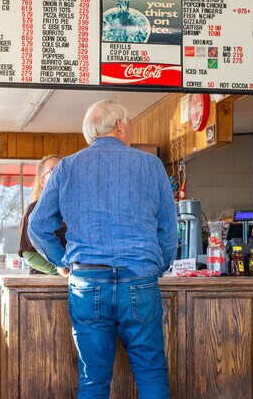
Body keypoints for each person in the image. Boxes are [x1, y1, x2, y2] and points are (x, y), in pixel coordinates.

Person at [28, 100, 177, 399]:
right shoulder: (151, 165)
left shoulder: (67, 167)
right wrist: (156, 266)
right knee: (150, 371)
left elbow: (37, 225)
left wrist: (64, 263)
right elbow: (168, 229)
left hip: (87, 283)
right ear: (120, 125)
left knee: (93, 379)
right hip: (140, 278)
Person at [17, 155, 65, 275]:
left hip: (76, 279)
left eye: (63, 169)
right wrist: (60, 269)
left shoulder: (76, 209)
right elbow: (29, 255)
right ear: (42, 181)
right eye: (54, 170)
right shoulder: (33, 210)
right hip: (43, 282)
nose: (61, 174)